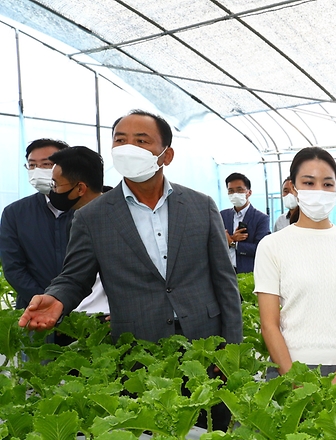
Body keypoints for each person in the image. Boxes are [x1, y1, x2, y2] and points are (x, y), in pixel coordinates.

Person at [19, 109, 243, 346]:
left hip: (205, 339)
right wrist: (56, 298)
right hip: (138, 345)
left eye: (141, 141)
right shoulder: (92, 216)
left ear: (166, 156)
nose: (128, 148)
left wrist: (232, 346)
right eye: (120, 140)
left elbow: (225, 280)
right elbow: (75, 278)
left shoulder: (201, 205)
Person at [254, 147, 336, 391]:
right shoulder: (272, 245)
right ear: (293, 188)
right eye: (309, 182)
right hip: (287, 369)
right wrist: (293, 381)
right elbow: (269, 324)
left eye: (327, 184)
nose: (319, 190)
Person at [0, 138, 69, 309]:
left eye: (46, 164)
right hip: (36, 309)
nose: (37, 171)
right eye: (32, 165)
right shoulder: (15, 213)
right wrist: (45, 300)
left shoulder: (89, 208)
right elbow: (13, 267)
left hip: (88, 310)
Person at [47, 146, 110, 316]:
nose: (53, 191)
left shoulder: (118, 218)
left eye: (56, 184)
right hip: (80, 313)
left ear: (80, 188)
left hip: (109, 316)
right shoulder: (76, 218)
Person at [220, 172, 271, 273]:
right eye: (231, 191)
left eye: (239, 190)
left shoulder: (261, 218)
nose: (235, 194)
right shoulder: (222, 216)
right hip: (224, 272)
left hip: (248, 273)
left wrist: (233, 243)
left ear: (249, 192)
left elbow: (260, 249)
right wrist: (232, 238)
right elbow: (214, 244)